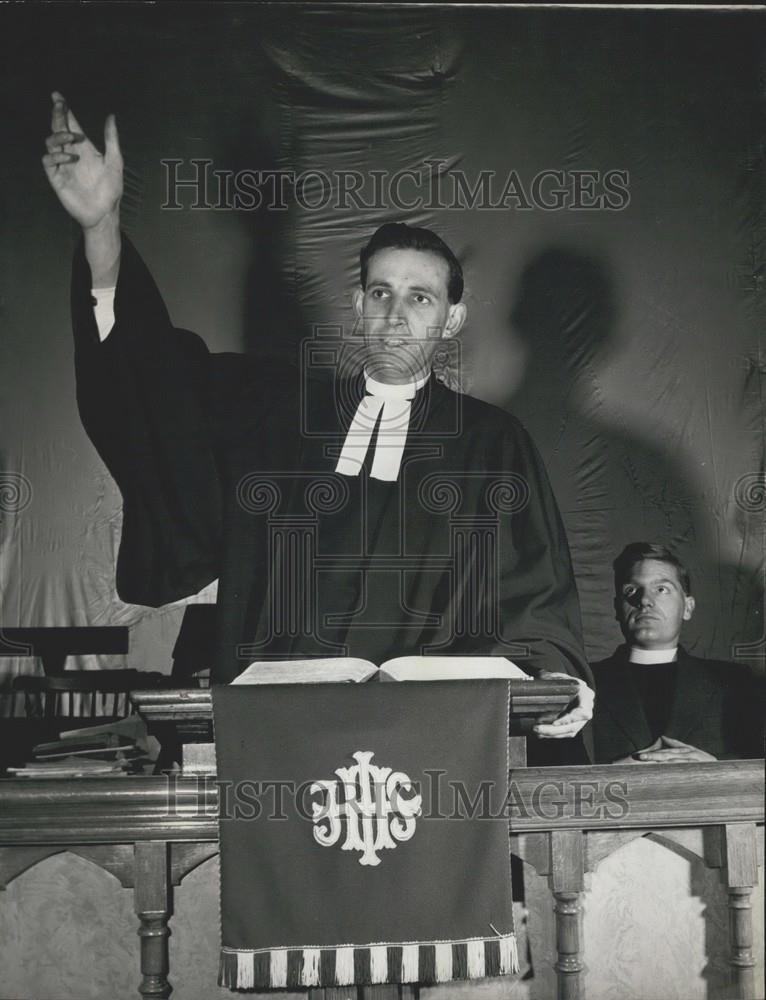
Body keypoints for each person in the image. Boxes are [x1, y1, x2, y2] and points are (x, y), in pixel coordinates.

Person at [43, 92, 594, 749]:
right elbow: (148, 388)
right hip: (278, 741)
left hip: (435, 746)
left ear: (452, 319)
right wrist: (100, 230)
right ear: (357, 305)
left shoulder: (492, 445)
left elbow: (537, 597)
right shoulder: (272, 419)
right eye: (381, 294)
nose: (396, 314)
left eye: (420, 297)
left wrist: (555, 675)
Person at [587, 542, 763, 763]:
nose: (644, 601)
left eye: (661, 589)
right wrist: (607, 777)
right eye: (631, 590)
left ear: (687, 607)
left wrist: (715, 769)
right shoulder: (584, 682)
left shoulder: (736, 681)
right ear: (617, 608)